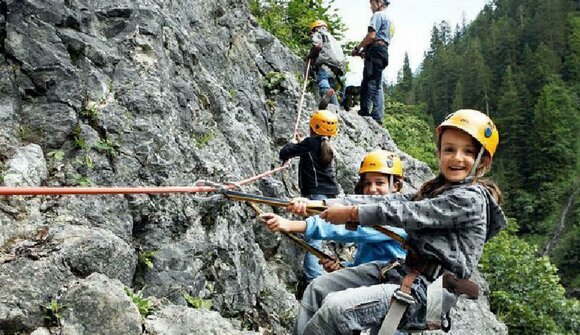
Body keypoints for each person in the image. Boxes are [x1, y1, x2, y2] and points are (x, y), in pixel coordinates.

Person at [288, 109, 507, 335]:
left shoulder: (470, 199)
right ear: (439, 152)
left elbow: (409, 212)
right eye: (449, 149)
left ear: (484, 161)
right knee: (319, 288)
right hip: (401, 272)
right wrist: (323, 202)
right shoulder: (436, 190)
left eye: (468, 152)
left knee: (336, 310)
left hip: (424, 292)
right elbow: (394, 200)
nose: (456, 157)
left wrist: (352, 213)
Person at [260, 150, 407, 274]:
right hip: (376, 279)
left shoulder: (396, 216)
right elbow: (368, 263)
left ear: (395, 186)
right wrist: (343, 267)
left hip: (390, 284)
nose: (372, 189)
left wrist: (290, 225)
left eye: (379, 183)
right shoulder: (375, 212)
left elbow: (350, 229)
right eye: (367, 183)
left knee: (318, 291)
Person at [279, 109, 340, 285]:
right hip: (329, 196)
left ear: (312, 126)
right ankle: (316, 275)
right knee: (318, 235)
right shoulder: (325, 145)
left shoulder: (310, 142)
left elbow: (285, 153)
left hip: (315, 194)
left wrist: (292, 143)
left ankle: (313, 279)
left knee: (313, 237)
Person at [351, 0, 394, 125]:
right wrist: (364, 52)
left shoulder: (377, 15)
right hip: (382, 52)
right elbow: (381, 40)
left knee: (370, 82)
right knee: (377, 82)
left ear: (380, 2)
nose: (371, 7)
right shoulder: (390, 21)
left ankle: (369, 113)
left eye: (372, 3)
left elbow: (372, 36)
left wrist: (358, 48)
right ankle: (377, 114)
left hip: (376, 51)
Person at [307, 20, 346, 109]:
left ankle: (327, 96)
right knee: (330, 86)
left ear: (315, 28)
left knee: (323, 81)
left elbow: (317, 46)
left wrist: (310, 55)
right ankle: (336, 107)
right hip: (337, 68)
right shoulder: (332, 38)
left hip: (325, 63)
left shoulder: (318, 33)